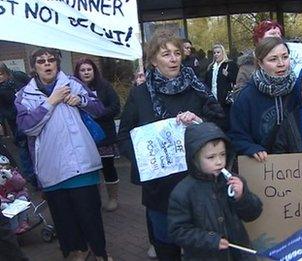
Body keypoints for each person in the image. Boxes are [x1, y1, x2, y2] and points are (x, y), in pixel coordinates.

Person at [118, 31, 224, 261]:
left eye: (177, 53)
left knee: (202, 247)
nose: (174, 58)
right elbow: (124, 136)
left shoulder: (197, 87)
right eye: (166, 54)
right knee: (167, 248)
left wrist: (199, 121)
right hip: (160, 188)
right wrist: (144, 161)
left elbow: (220, 122)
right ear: (154, 60)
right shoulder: (140, 94)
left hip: (197, 182)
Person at [15, 48, 112, 260]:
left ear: (57, 64)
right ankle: (78, 250)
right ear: (34, 67)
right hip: (51, 167)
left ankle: (100, 252)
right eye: (41, 61)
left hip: (81, 163)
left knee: (90, 215)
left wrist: (82, 101)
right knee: (64, 217)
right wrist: (51, 102)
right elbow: (26, 127)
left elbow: (99, 109)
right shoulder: (23, 95)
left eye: (51, 60)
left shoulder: (74, 83)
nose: (47, 64)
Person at [168, 122, 262, 260]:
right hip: (204, 256)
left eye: (222, 154)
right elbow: (178, 231)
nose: (219, 161)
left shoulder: (234, 181)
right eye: (211, 157)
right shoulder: (183, 192)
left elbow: (253, 214)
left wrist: (242, 197)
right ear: (194, 159)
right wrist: (210, 240)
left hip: (238, 254)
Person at [228, 37, 296, 162]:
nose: (281, 63)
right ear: (260, 63)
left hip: (297, 167)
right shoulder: (246, 96)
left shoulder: (299, 90)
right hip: (262, 167)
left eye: (285, 57)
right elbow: (237, 135)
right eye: (273, 59)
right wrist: (250, 148)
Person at [74, 58, 121, 212]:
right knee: (90, 169)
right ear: (78, 73)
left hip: (104, 135)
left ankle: (113, 198)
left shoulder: (105, 86)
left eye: (89, 69)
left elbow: (115, 107)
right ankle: (95, 200)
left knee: (108, 167)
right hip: (84, 136)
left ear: (94, 70)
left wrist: (98, 114)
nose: (86, 72)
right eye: (83, 70)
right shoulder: (73, 88)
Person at [235, 20, 284, 90]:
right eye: (272, 34)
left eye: (279, 34)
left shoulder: (286, 62)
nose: (277, 37)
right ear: (259, 39)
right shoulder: (246, 67)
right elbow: (239, 96)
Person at [205, 44, 238, 129]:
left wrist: (227, 75)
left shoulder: (230, 64)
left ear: (223, 53)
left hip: (225, 100)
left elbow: (236, 80)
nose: (216, 54)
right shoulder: (210, 67)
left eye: (218, 52)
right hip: (213, 99)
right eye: (214, 53)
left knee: (227, 122)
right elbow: (206, 82)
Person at [0, 156, 29, 234]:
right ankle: (15, 227)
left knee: (23, 199)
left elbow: (21, 184)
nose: (2, 168)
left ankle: (23, 222)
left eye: (4, 165)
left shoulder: (14, 173)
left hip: (15, 196)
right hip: (3, 200)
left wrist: (11, 177)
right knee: (6, 208)